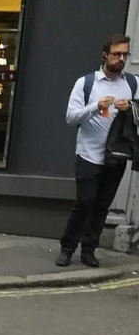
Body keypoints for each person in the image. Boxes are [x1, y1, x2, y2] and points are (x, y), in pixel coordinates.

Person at [56, 34, 137, 268]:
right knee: (85, 202)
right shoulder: (87, 83)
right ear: (105, 54)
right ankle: (67, 248)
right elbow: (71, 117)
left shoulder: (132, 84)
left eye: (125, 54)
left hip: (117, 156)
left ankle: (89, 250)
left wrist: (131, 106)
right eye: (116, 54)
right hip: (88, 154)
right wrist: (95, 106)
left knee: (102, 205)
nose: (121, 59)